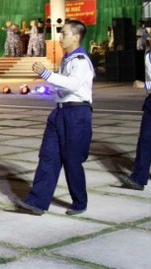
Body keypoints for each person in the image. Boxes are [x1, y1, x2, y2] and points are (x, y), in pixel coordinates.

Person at [15, 20, 94, 216]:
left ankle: (79, 201)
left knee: (72, 160)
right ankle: (37, 201)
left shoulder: (81, 60)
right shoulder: (67, 59)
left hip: (77, 114)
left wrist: (46, 74)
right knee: (48, 156)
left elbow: (73, 85)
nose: (60, 37)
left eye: (64, 34)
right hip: (59, 112)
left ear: (76, 37)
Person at [120, 24, 151, 191]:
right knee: (144, 140)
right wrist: (148, 87)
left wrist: (145, 84)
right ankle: (138, 179)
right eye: (150, 36)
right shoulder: (147, 55)